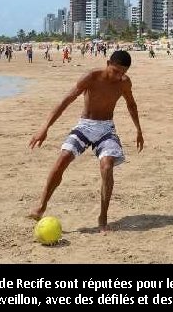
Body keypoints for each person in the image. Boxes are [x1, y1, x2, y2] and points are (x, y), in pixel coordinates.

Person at [28, 50, 143, 231]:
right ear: (107, 63)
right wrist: (45, 128)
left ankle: (103, 217)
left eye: (123, 72)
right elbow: (67, 100)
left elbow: (131, 104)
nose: (118, 76)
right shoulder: (91, 77)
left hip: (106, 128)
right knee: (62, 159)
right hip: (85, 126)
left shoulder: (124, 83)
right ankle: (41, 205)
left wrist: (138, 130)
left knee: (107, 166)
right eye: (115, 71)